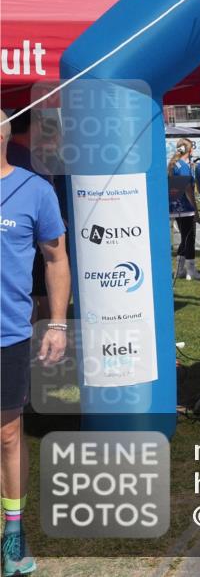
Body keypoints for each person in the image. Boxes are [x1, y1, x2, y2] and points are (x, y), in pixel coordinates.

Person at [1, 110, 70, 577]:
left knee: (7, 434)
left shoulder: (34, 190)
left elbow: (56, 258)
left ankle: (12, 535)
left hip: (8, 333)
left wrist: (58, 324)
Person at [167, 138, 200, 280]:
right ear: (190, 150)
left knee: (184, 238)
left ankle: (180, 269)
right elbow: (188, 190)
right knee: (189, 238)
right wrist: (196, 211)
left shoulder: (174, 164)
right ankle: (191, 270)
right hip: (185, 207)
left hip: (176, 206)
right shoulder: (182, 166)